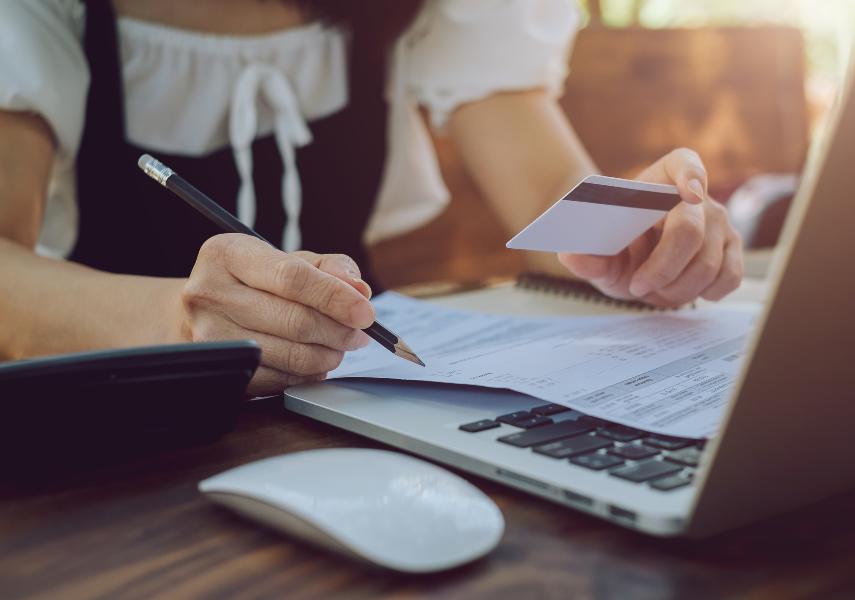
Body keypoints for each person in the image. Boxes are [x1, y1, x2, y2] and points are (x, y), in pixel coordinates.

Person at [0, 0, 743, 395]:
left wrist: (635, 230)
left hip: (355, 394)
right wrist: (179, 318)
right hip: (127, 427)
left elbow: (550, 196)